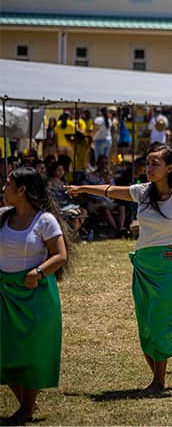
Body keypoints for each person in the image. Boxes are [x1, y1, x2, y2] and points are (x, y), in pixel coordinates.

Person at [65, 143, 172, 393]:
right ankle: (157, 379)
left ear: (170, 168)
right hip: (143, 264)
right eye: (147, 163)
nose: (149, 168)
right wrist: (82, 188)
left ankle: (158, 381)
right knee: (146, 323)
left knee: (159, 322)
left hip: (166, 266)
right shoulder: (143, 192)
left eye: (155, 163)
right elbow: (111, 191)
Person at [1, 167, 74, 424]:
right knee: (5, 349)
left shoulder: (45, 221)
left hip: (36, 294)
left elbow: (60, 255)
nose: (3, 188)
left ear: (22, 190)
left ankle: (26, 408)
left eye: (8, 184)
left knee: (31, 351)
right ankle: (24, 404)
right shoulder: (2, 217)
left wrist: (38, 272)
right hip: (5, 294)